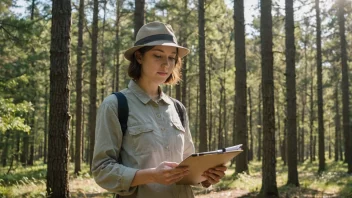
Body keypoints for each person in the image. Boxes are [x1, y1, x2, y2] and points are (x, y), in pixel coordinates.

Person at [92, 21, 227, 198]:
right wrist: (152, 176)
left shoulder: (178, 108)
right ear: (139, 57)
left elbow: (188, 168)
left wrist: (207, 178)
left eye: (172, 57)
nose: (166, 64)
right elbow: (102, 169)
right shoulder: (115, 105)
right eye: (158, 56)